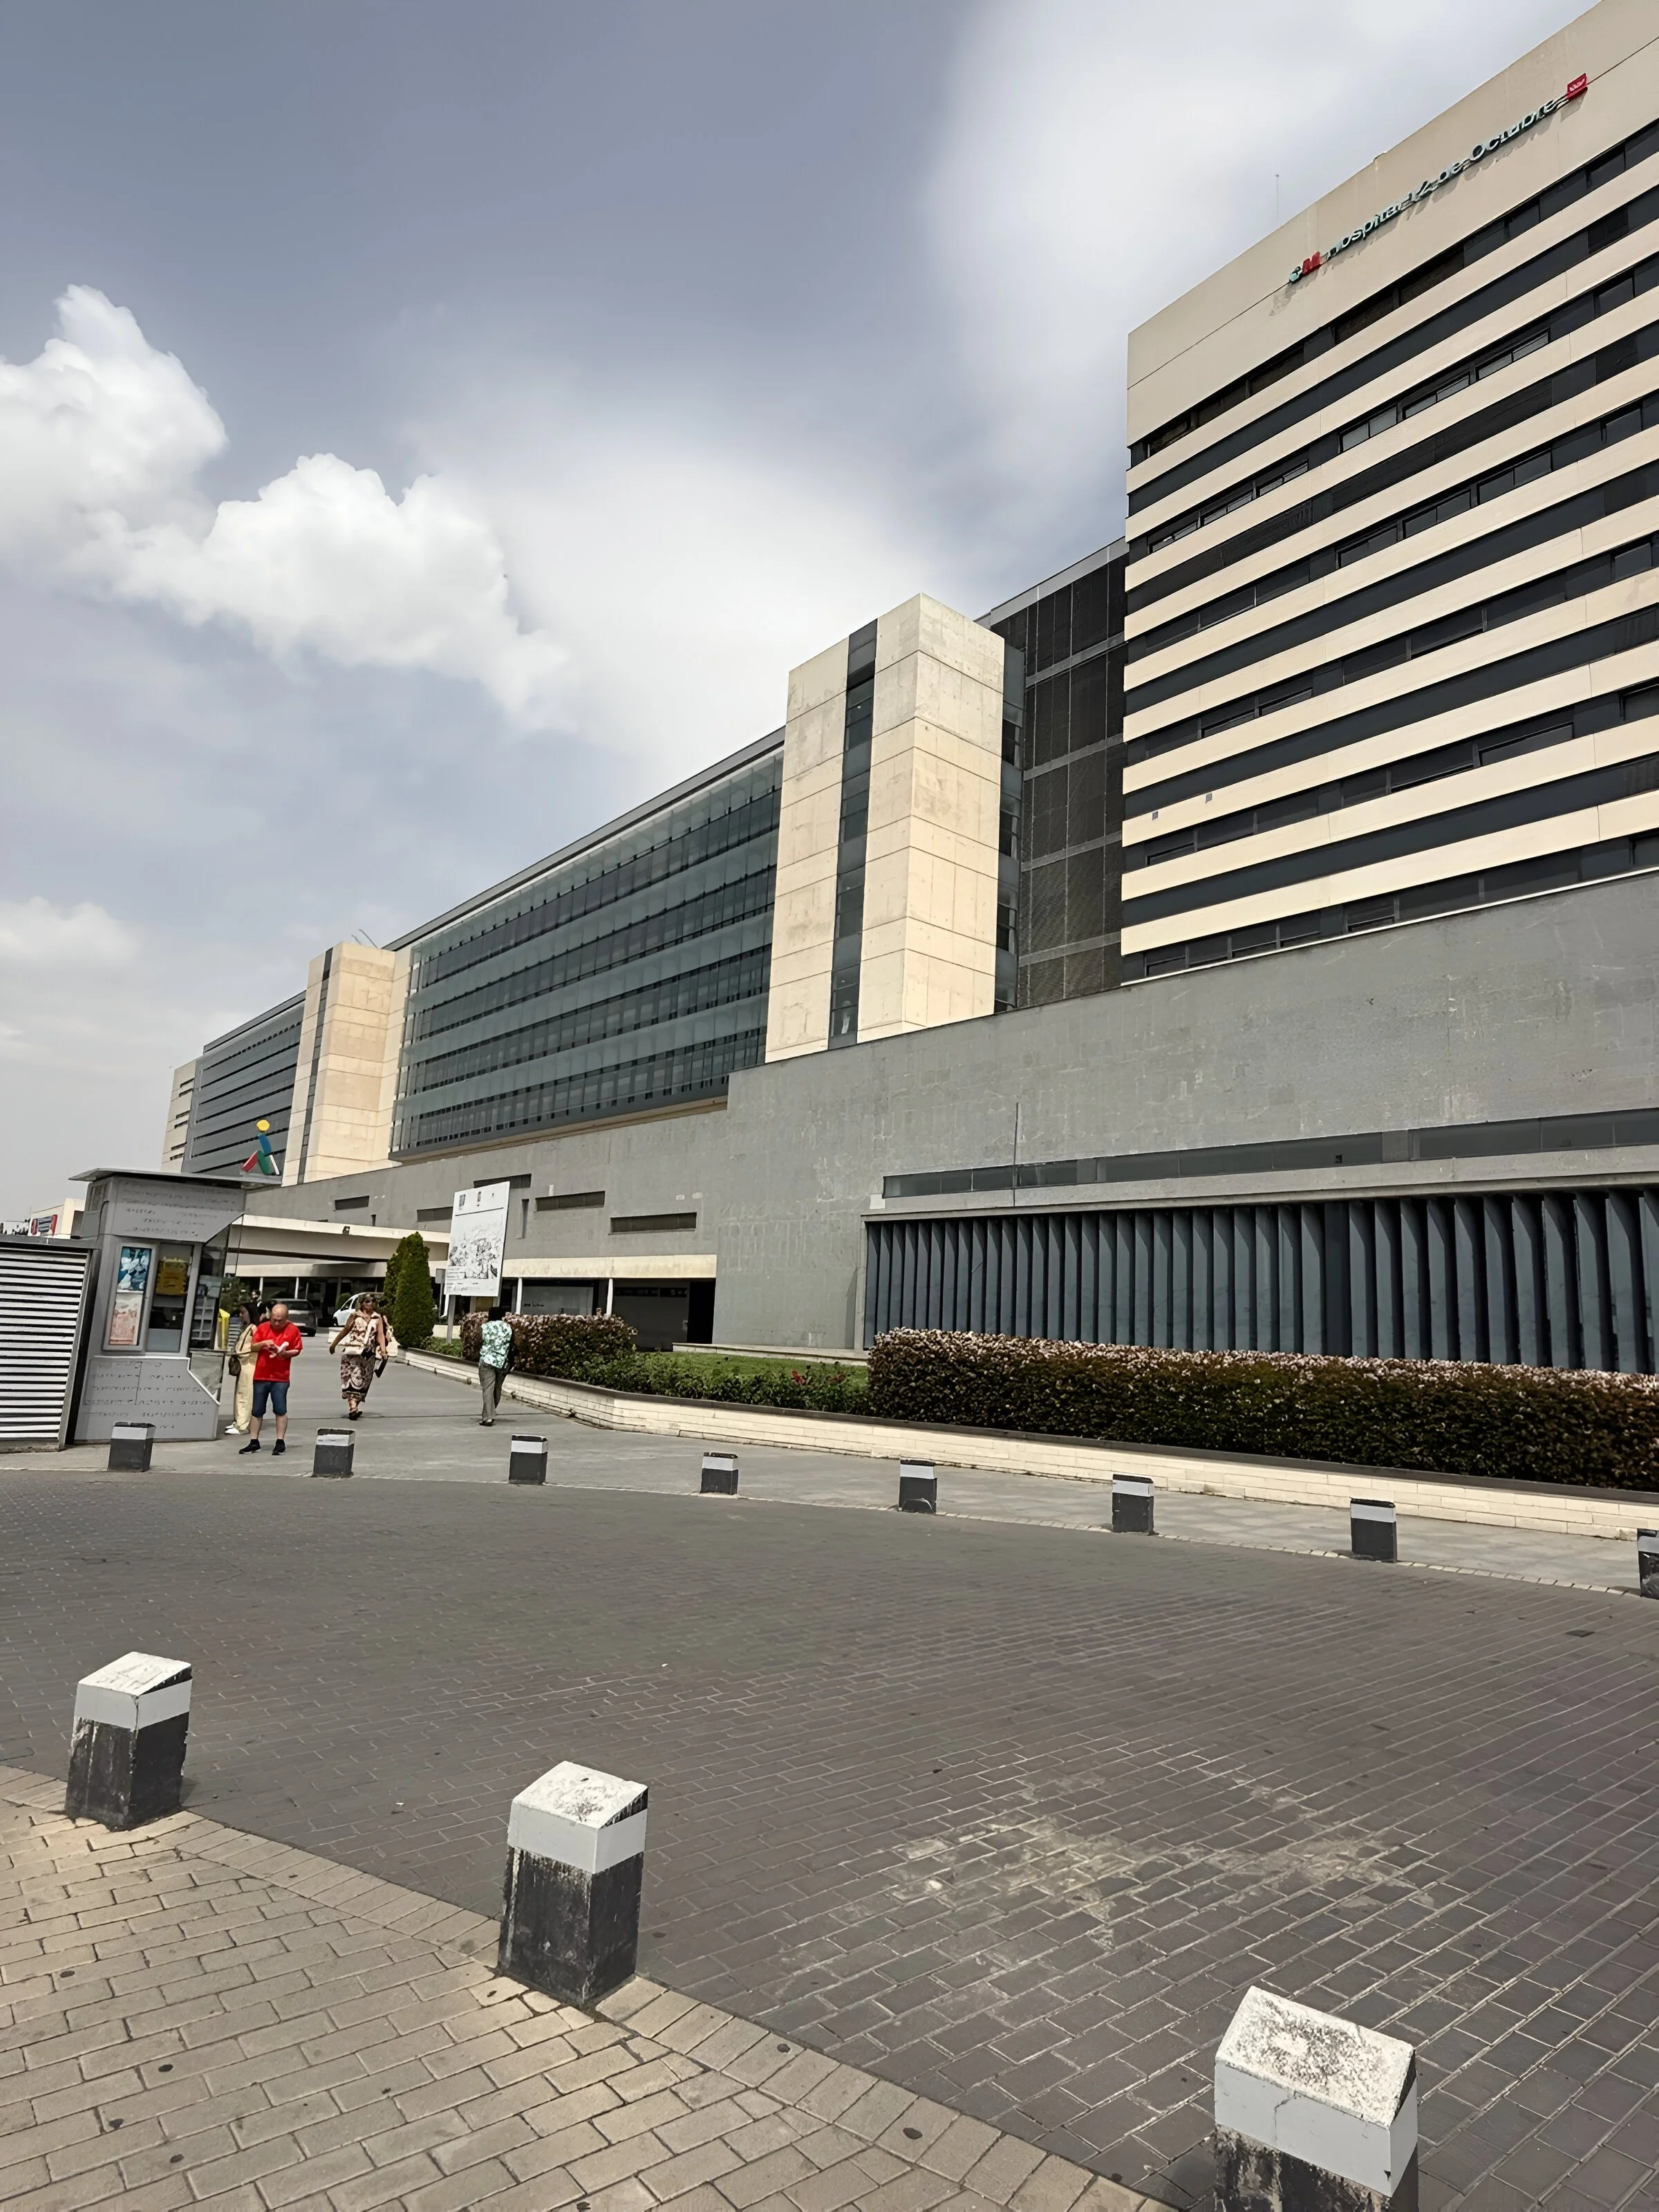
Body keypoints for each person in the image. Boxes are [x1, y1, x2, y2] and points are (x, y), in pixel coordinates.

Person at [238, 1300, 303, 1455]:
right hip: (261, 1374)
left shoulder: (293, 1330)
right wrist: (264, 1343)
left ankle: (280, 1441)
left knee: (280, 1409)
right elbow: (253, 1347)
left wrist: (285, 1354)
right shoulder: (262, 1328)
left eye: (281, 1320)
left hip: (281, 1377)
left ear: (287, 1318)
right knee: (257, 1410)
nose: (277, 1322)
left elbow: (297, 1349)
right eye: (274, 1319)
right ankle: (254, 1441)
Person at [330, 1293, 388, 1419]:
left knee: (364, 1381)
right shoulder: (355, 1316)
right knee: (351, 1380)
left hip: (368, 1354)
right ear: (361, 1303)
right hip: (352, 1353)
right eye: (367, 1301)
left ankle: (355, 1405)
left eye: (372, 1301)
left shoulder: (377, 1319)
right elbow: (346, 1330)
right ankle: (353, 1408)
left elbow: (380, 1335)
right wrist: (334, 1345)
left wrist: (383, 1351)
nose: (370, 1303)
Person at [229, 1302, 266, 1434]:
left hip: (249, 1365)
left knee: (245, 1395)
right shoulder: (247, 1327)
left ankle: (242, 1425)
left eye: (243, 1313)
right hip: (243, 1365)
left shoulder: (254, 1329)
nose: (241, 1315)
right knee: (239, 1394)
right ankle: (238, 1421)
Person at [478, 1304, 512, 1425]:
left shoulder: (485, 1327)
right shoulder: (508, 1328)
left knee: (488, 1389)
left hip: (487, 1361)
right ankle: (489, 1413)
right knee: (497, 1390)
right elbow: (514, 1345)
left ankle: (488, 1417)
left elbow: (478, 1342)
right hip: (502, 1363)